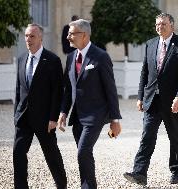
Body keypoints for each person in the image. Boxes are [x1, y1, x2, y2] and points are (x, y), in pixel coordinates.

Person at [123, 13, 178, 186]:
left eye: (163, 24)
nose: (159, 27)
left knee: (176, 137)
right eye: (157, 24)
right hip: (152, 100)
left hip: (174, 102)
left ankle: (176, 170)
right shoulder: (151, 44)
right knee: (147, 136)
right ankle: (139, 172)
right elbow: (145, 73)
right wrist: (140, 96)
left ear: (172, 26)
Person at [58, 19, 122, 189]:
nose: (68, 37)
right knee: (85, 154)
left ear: (84, 35)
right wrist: (63, 112)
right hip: (78, 117)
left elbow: (111, 89)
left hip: (96, 115)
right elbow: (68, 88)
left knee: (83, 151)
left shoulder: (101, 56)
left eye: (72, 33)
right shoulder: (71, 57)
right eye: (68, 33)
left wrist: (115, 120)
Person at [13, 23, 67, 189]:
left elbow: (57, 92)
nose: (28, 39)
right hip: (23, 118)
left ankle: (61, 185)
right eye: (26, 36)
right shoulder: (22, 59)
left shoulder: (52, 60)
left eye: (32, 36)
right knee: (18, 152)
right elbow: (18, 89)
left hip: (45, 120)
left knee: (51, 155)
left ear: (41, 38)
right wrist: (16, 114)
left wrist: (53, 118)